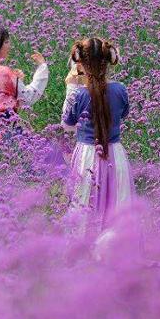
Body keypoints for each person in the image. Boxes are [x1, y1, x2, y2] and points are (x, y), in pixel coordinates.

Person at [61, 37, 133, 229]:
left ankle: (85, 250)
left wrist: (71, 86)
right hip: (115, 154)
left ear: (81, 64)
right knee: (117, 202)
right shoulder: (120, 90)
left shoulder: (79, 94)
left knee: (85, 202)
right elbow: (124, 113)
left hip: (87, 155)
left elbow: (67, 123)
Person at [0, 26, 49, 135]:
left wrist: (18, 81)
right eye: (6, 42)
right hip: (8, 129)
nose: (9, 46)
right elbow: (28, 97)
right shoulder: (5, 72)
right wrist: (42, 67)